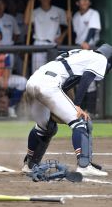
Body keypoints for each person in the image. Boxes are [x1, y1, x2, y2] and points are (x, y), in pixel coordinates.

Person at [21, 44, 112, 176]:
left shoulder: (80, 54)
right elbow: (87, 78)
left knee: (46, 128)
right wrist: (77, 105)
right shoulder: (100, 58)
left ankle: (30, 165)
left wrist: (67, 107)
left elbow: (66, 85)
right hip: (48, 84)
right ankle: (84, 166)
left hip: (32, 82)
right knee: (81, 121)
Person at [72, 0, 102, 117]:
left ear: (89, 3)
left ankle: (91, 111)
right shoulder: (75, 16)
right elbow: (74, 34)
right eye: (82, 0)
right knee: (78, 79)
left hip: (90, 49)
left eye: (86, 0)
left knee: (90, 81)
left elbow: (92, 30)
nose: (84, 2)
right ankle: (81, 110)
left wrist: (87, 42)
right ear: (77, 3)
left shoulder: (93, 13)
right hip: (79, 50)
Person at [24, 0, 67, 73]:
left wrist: (62, 37)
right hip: (38, 43)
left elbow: (67, 26)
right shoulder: (35, 12)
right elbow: (26, 21)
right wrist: (31, 0)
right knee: (37, 72)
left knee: (53, 72)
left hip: (53, 44)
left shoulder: (59, 11)